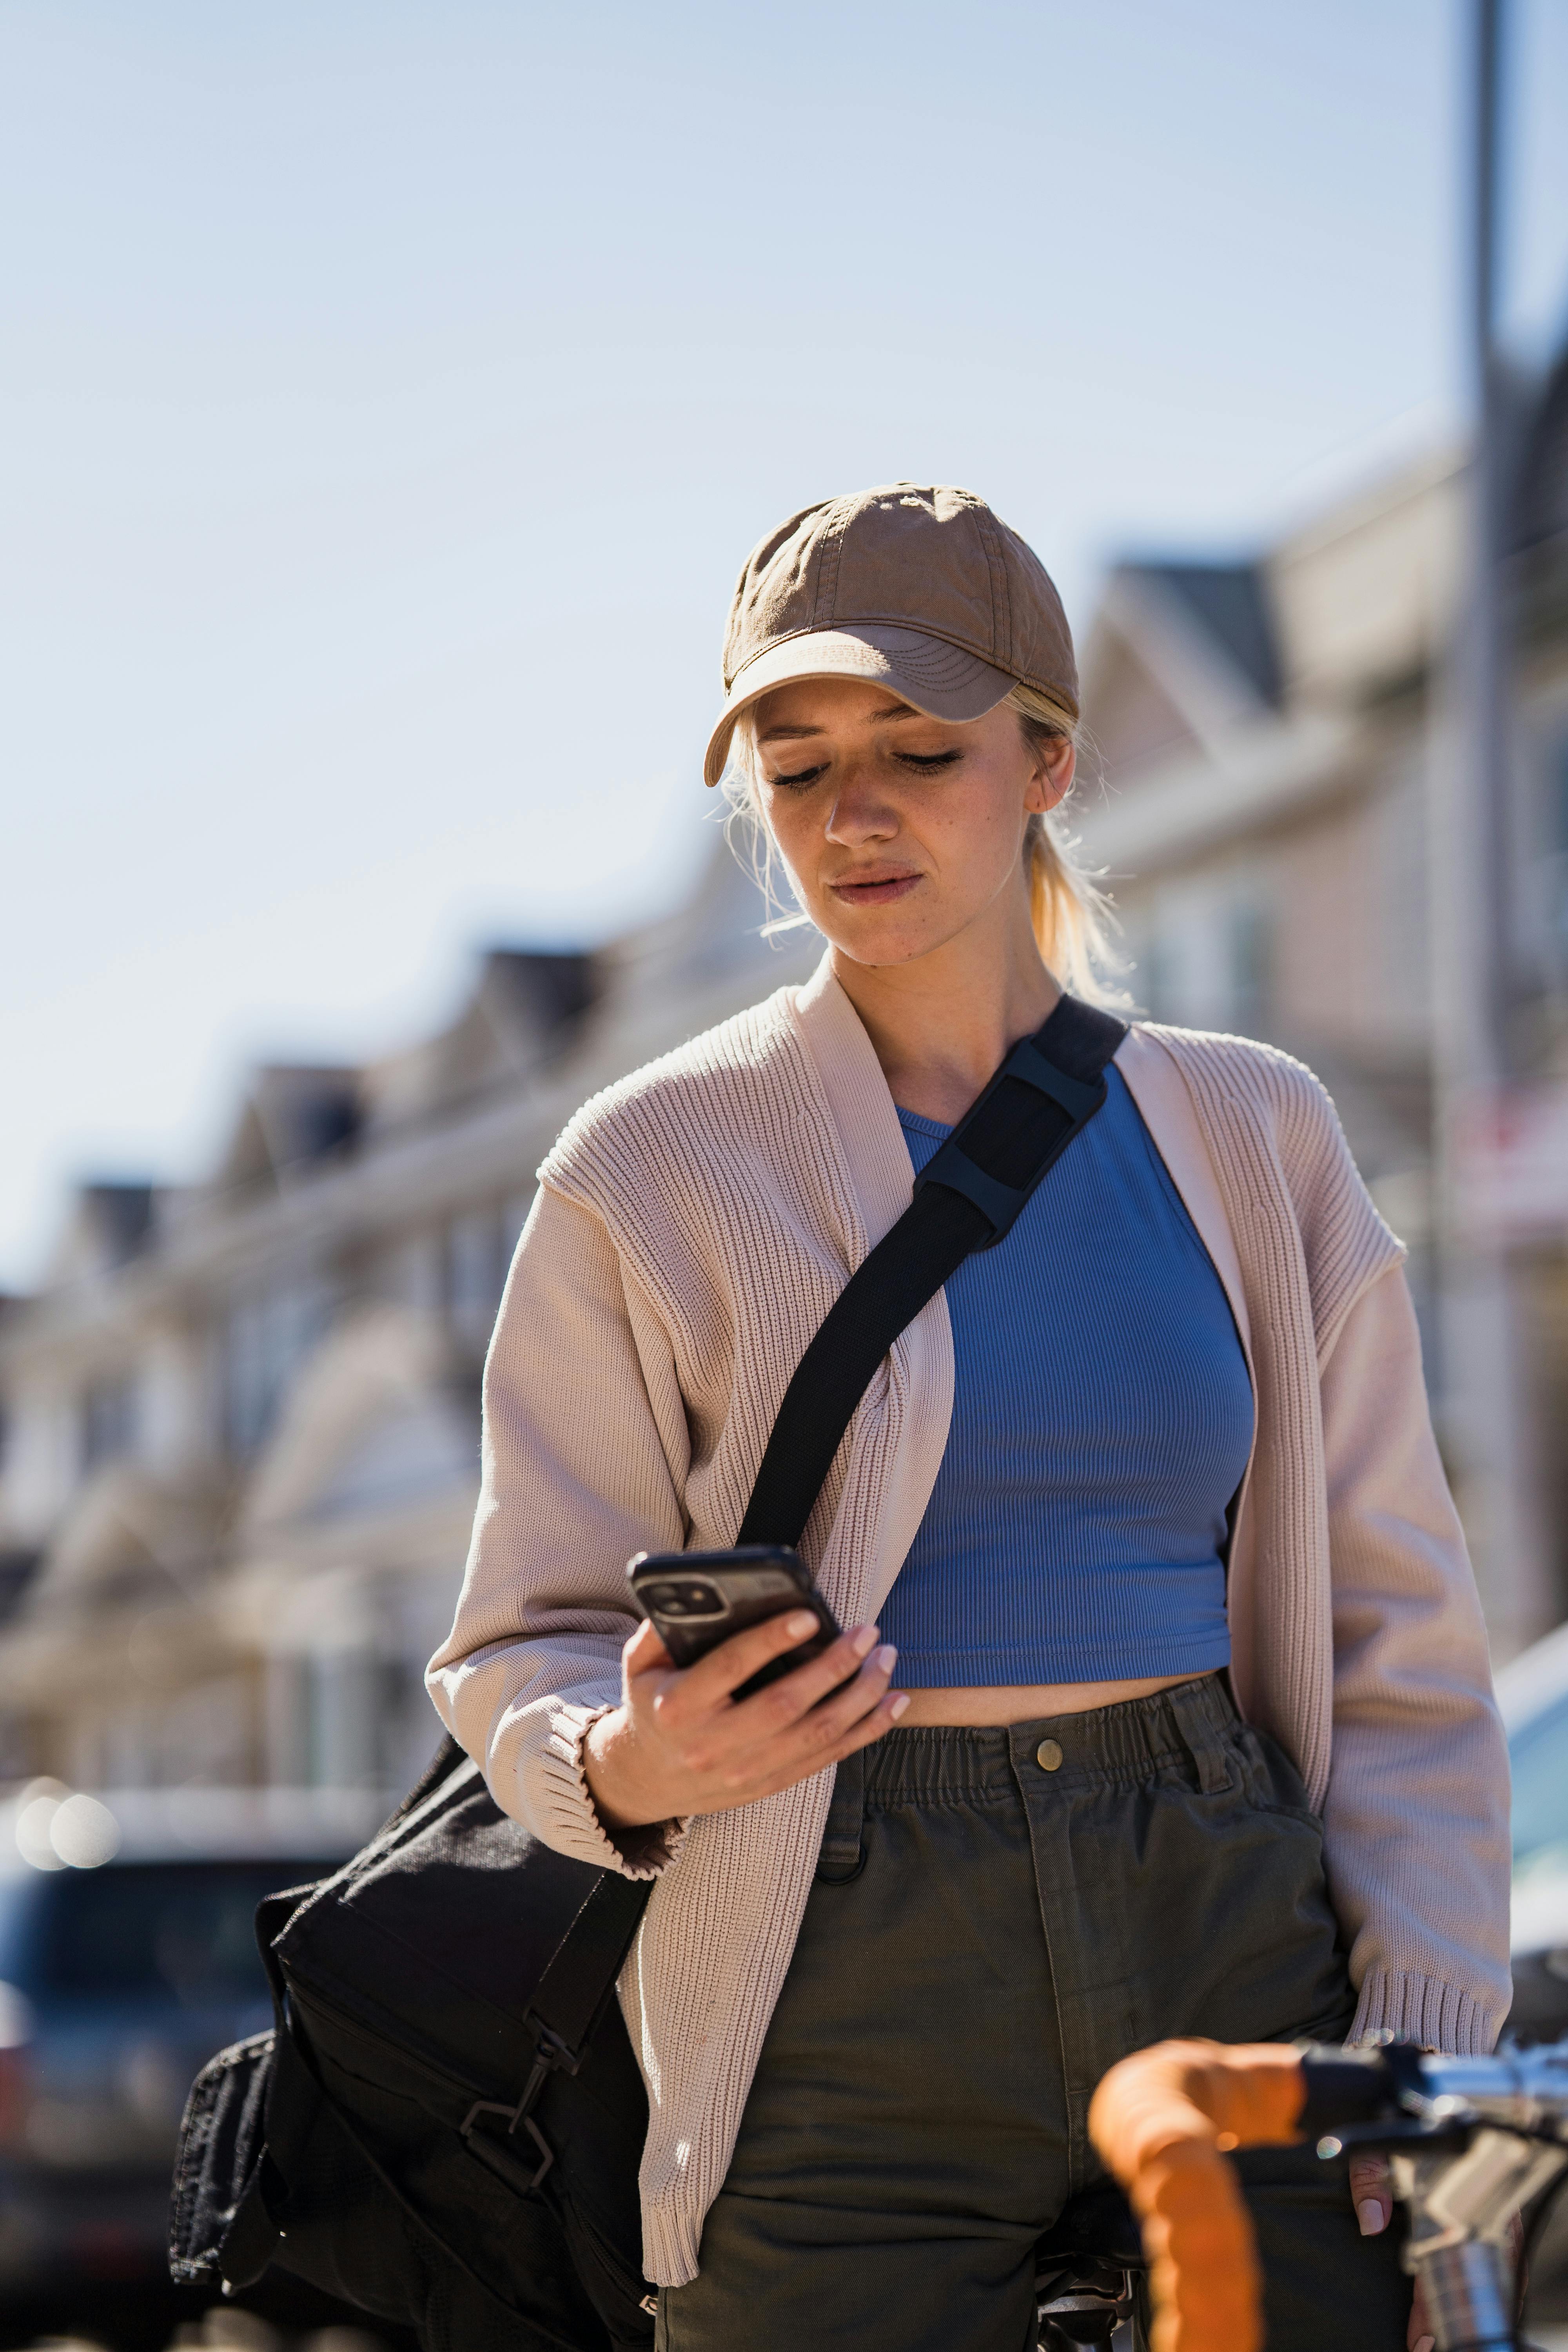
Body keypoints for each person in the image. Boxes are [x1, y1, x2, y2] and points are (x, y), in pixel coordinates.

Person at [428, 483, 1510, 2352]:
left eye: (919, 749)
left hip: (1227, 1926)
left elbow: (1396, 1634)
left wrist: (1416, 2052)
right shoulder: (644, 1170)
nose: (852, 812)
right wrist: (622, 1769)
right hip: (827, 1972)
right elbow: (512, 1640)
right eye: (795, 765)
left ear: (1049, 764)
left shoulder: (1256, 1136)